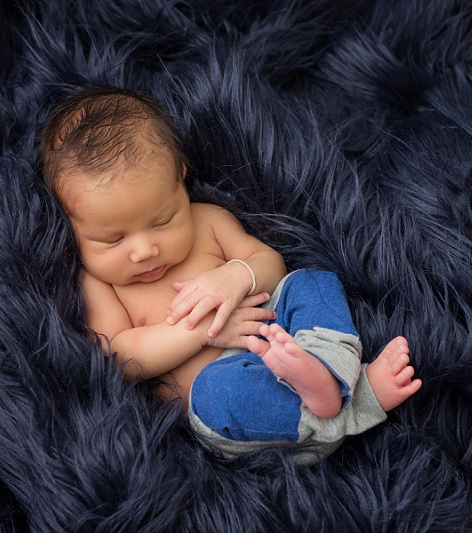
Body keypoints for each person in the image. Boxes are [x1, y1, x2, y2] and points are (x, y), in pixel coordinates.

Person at [38, 86, 422, 460]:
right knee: (215, 391)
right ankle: (356, 400)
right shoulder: (99, 283)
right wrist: (203, 333)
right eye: (112, 239)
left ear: (180, 180)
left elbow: (270, 264)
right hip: (236, 406)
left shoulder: (208, 221)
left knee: (311, 281)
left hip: (283, 341)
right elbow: (120, 355)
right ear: (72, 227)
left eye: (161, 220)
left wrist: (237, 274)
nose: (144, 250)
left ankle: (328, 370)